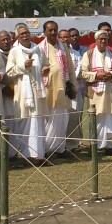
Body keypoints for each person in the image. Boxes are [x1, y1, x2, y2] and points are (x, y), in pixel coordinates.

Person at [5, 24, 50, 164]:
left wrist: (45, 69)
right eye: (22, 34)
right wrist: (23, 66)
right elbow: (9, 72)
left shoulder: (38, 49)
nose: (25, 36)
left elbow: (46, 65)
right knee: (25, 123)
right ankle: (26, 155)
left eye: (27, 33)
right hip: (23, 93)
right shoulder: (14, 51)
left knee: (38, 122)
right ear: (17, 36)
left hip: (38, 91)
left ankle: (39, 155)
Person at [80, 29, 112, 155]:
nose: (103, 41)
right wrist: (97, 75)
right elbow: (83, 73)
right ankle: (96, 146)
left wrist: (111, 75)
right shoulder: (88, 55)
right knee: (97, 118)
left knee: (110, 117)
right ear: (95, 40)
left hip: (110, 92)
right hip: (95, 93)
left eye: (105, 39)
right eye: (100, 39)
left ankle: (109, 146)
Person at [39, 21, 78, 160]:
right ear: (44, 32)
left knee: (62, 119)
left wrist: (73, 85)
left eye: (55, 30)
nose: (53, 33)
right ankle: (45, 149)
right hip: (47, 89)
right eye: (50, 30)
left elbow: (70, 68)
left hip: (63, 88)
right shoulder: (39, 48)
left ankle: (60, 148)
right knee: (48, 120)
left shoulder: (63, 47)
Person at [61, 28, 86, 152]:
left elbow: (79, 70)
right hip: (60, 90)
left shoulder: (76, 54)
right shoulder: (56, 53)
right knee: (61, 116)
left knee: (75, 116)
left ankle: (73, 144)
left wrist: (72, 83)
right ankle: (60, 144)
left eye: (67, 37)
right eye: (63, 37)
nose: (65, 39)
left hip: (75, 90)